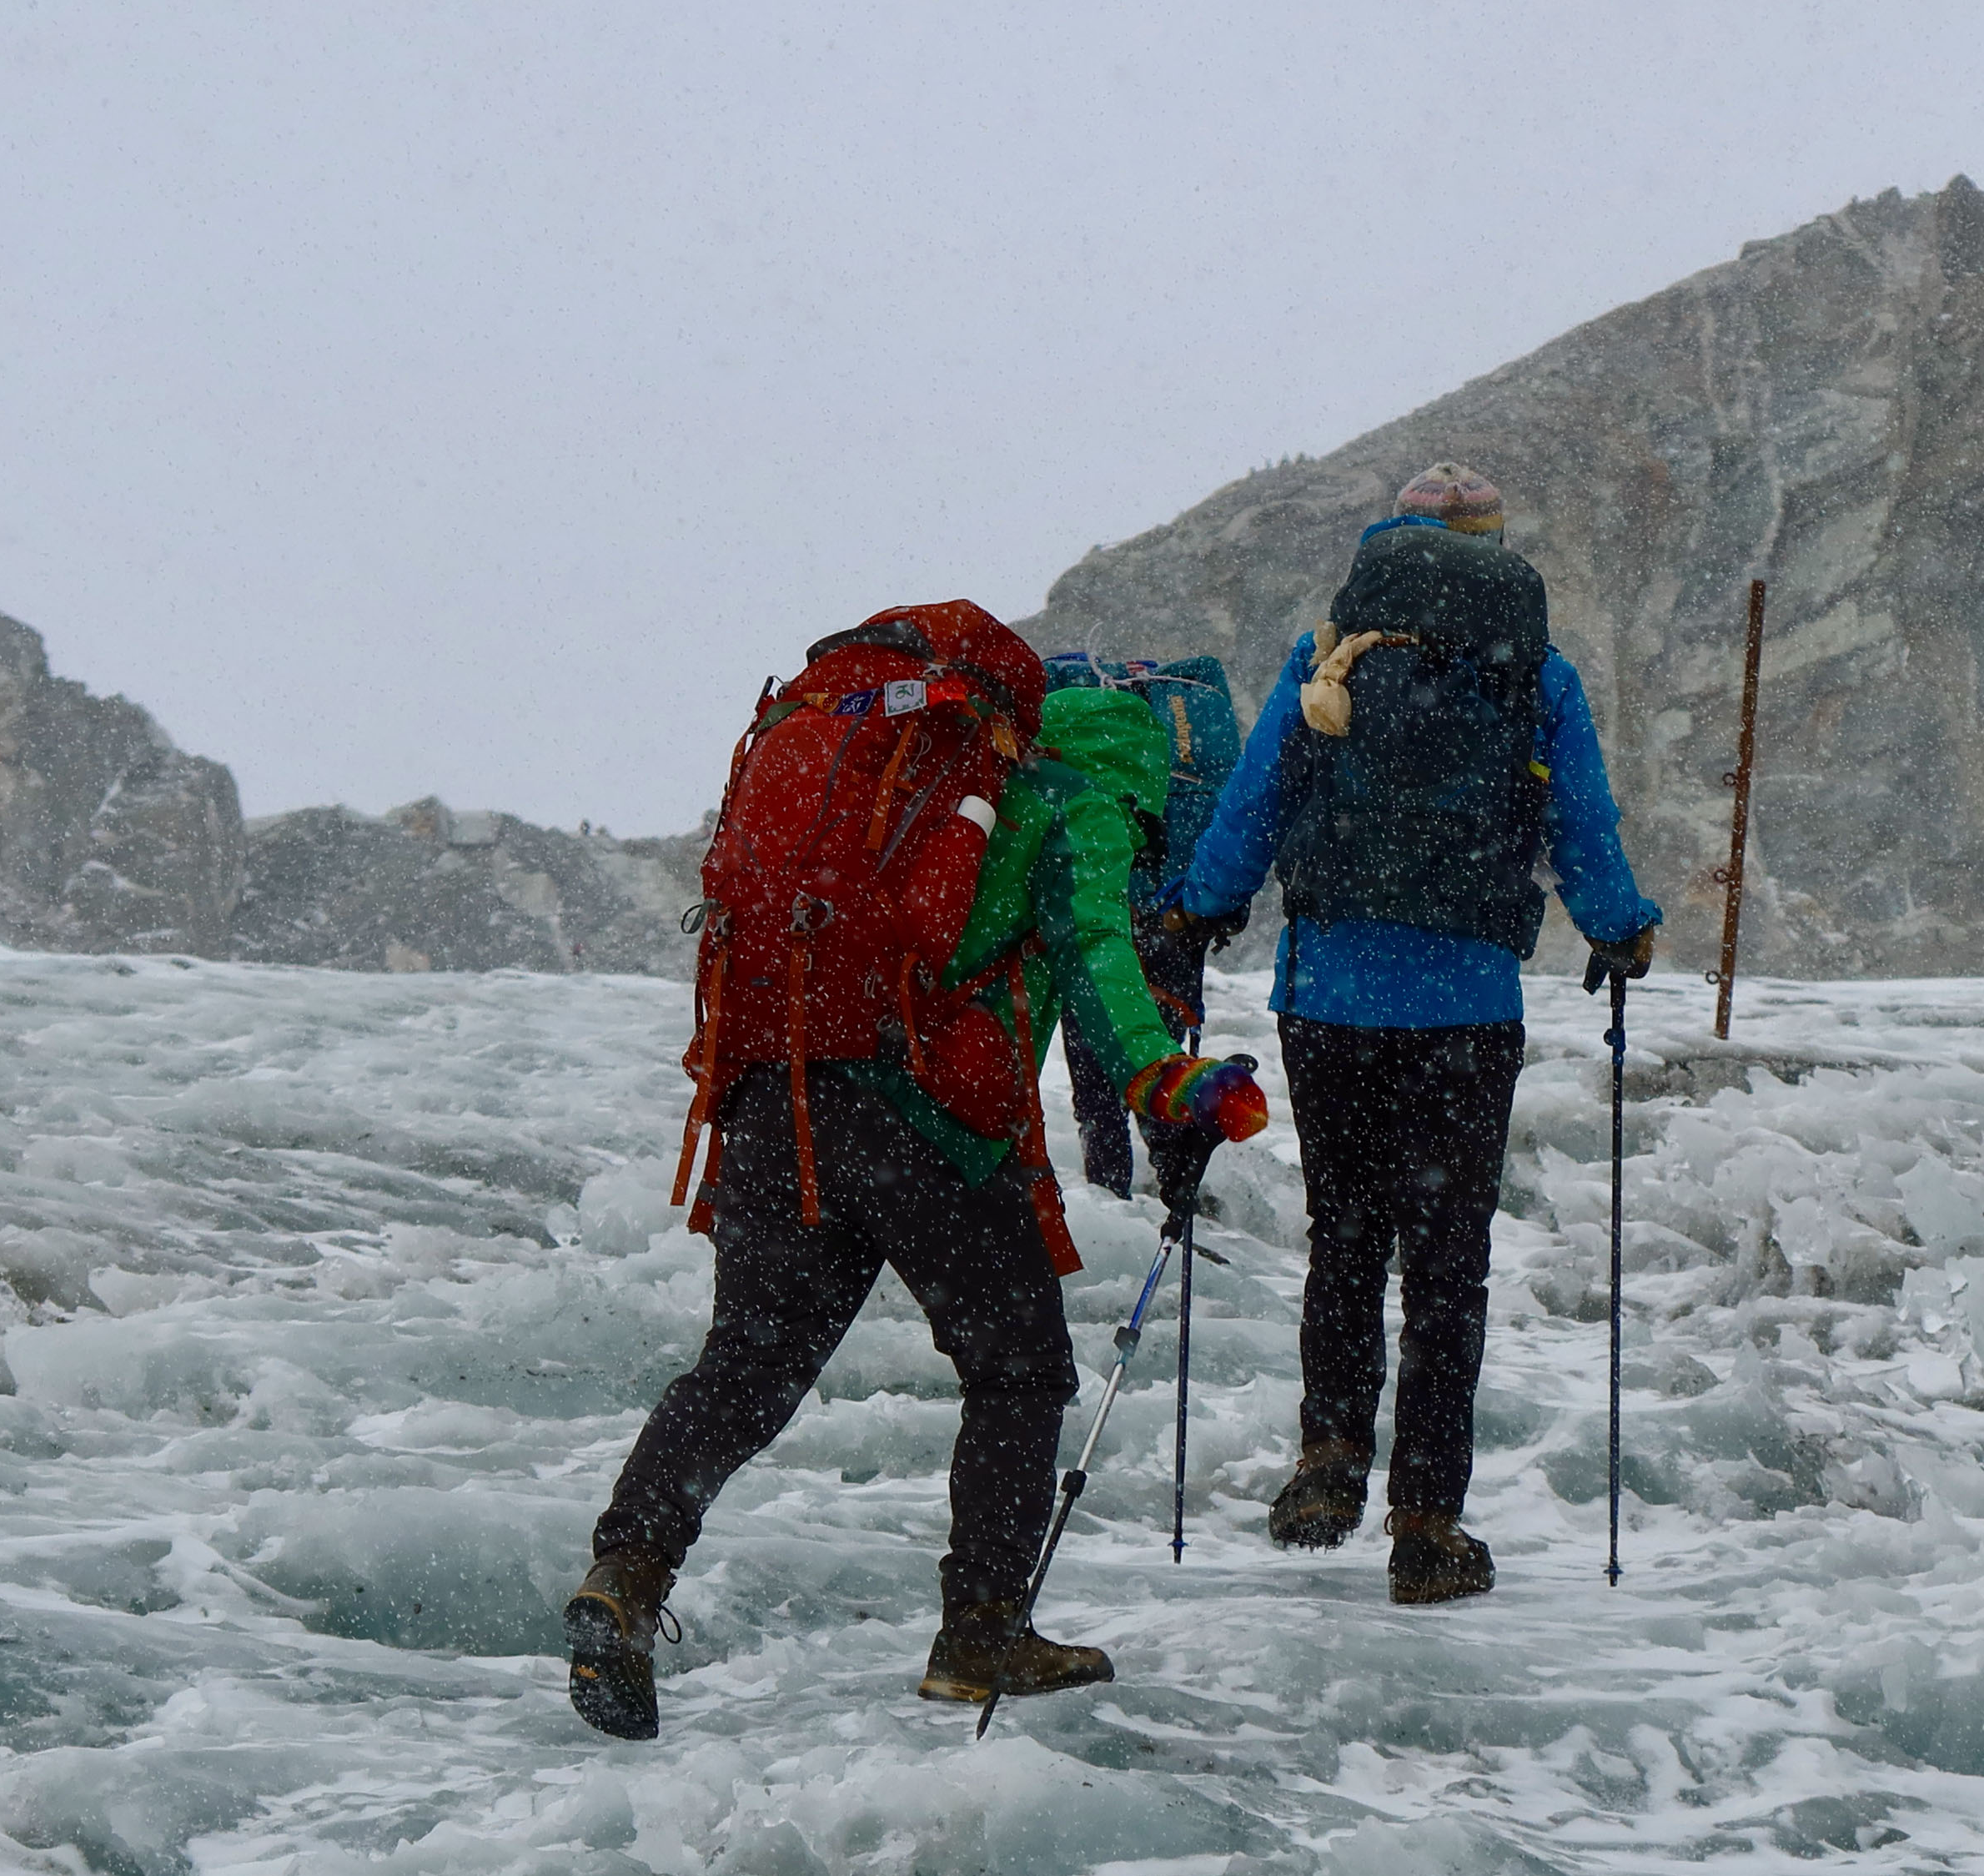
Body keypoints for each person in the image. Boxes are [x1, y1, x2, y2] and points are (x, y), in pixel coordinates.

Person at [565, 602, 1267, 1739]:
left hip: (782, 1096)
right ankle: (980, 1629)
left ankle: (627, 1580)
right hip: (924, 1122)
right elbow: (1098, 965)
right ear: (1144, 772)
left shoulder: (928, 785)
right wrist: (1170, 1087)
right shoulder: (1072, 810)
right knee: (1019, 1368)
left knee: (745, 1367)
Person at [1161, 464, 1660, 1604]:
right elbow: (1583, 823)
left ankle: (1329, 1459)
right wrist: (1622, 930)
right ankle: (1427, 1523)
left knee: (1345, 1235)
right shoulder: (1537, 673)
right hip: (1467, 1008)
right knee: (1448, 1268)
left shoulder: (1326, 656)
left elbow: (1253, 808)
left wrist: (1199, 906)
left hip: (1329, 996)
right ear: (1493, 546)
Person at [1047, 652, 1245, 1198]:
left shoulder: (1083, 751)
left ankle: (1109, 1196)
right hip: (1175, 922)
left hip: (1110, 913)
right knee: (1158, 1053)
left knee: (1095, 1080)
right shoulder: (1188, 717)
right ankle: (1173, 1190)